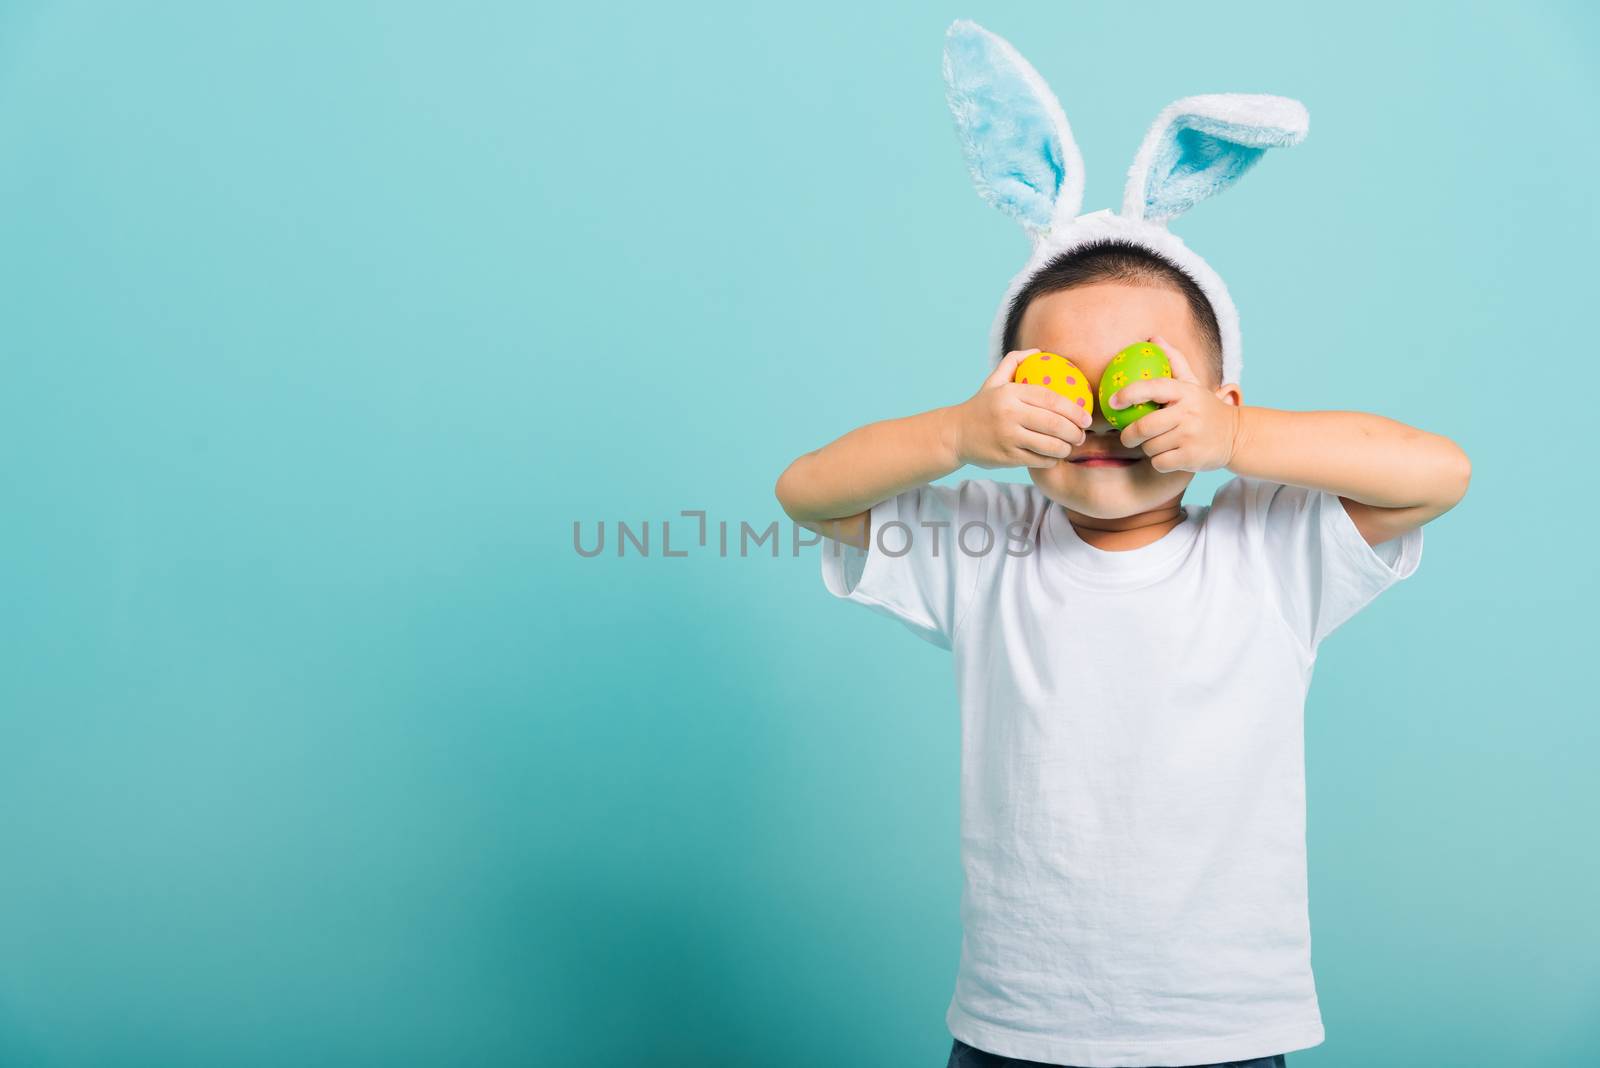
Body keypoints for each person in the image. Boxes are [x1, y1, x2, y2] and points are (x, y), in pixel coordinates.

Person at [773, 22, 1471, 1067]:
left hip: (1224, 1025)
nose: (1100, 417)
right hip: (1015, 1024)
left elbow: (1437, 473)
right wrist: (957, 437)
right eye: (1056, 385)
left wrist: (1242, 439)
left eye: (1142, 385)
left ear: (1216, 402)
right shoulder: (987, 550)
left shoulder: (1267, 552)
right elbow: (807, 494)